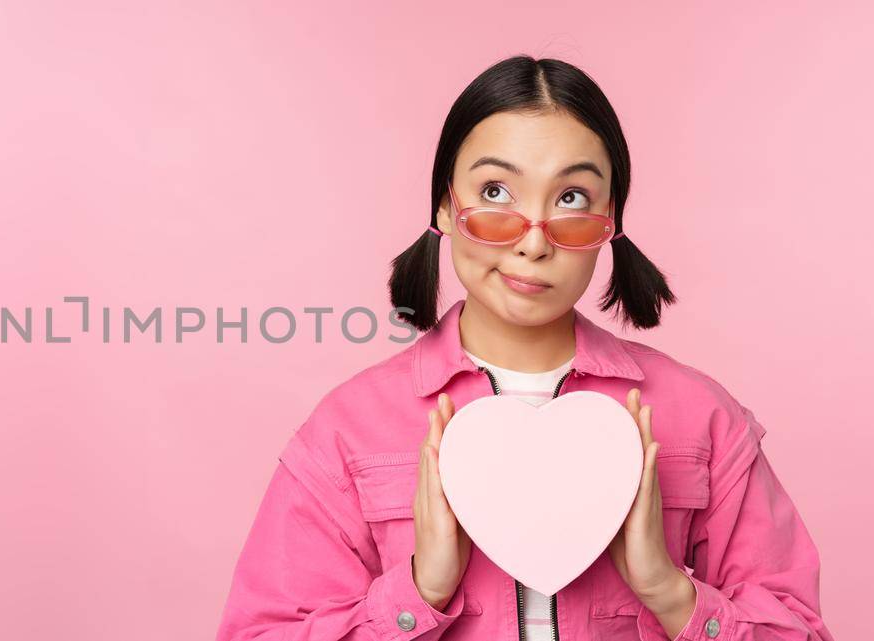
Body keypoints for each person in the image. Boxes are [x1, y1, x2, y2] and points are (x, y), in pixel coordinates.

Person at [214, 55, 834, 641]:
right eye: (494, 193)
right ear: (444, 208)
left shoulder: (700, 417)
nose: (533, 243)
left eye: (570, 199)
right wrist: (417, 594)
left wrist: (668, 591)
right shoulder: (346, 431)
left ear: (609, 221)